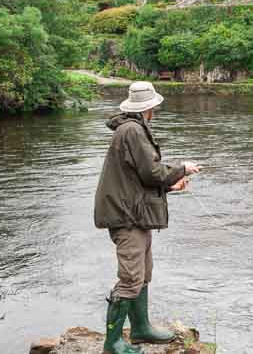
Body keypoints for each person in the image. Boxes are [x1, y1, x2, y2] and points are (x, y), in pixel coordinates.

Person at [93, 81, 201, 354]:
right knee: (130, 279)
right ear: (149, 107)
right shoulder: (132, 131)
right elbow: (152, 173)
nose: (156, 109)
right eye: (155, 106)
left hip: (135, 216)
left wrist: (170, 186)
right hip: (126, 219)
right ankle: (113, 343)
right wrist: (182, 168)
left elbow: (138, 177)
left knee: (143, 274)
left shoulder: (132, 128)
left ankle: (141, 329)